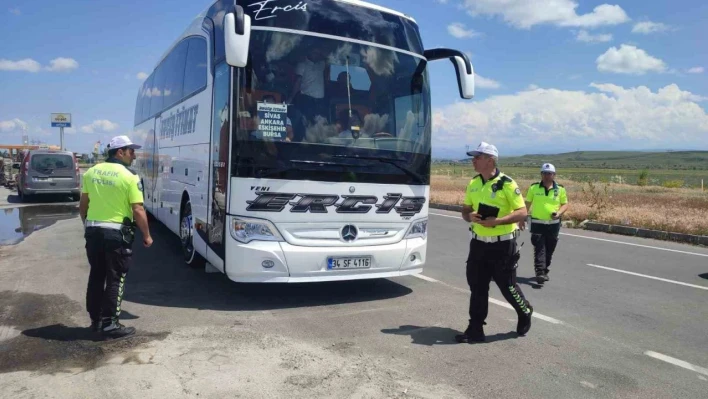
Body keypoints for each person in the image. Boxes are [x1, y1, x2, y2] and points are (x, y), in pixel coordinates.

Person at [455, 142, 533, 344]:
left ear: (490, 161)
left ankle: (524, 310)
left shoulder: (507, 184)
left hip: (503, 245)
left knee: (507, 286)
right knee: (478, 287)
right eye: (473, 157)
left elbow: (522, 212)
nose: (473, 160)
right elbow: (465, 211)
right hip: (479, 244)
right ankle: (475, 329)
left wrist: (496, 221)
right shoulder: (474, 183)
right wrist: (470, 215)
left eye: (477, 157)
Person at [79, 135, 153, 339]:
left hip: (93, 231)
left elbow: (83, 204)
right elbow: (137, 209)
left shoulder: (91, 172)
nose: (134, 155)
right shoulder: (130, 176)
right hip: (115, 234)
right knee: (115, 278)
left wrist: (87, 224)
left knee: (96, 275)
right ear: (119, 152)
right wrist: (147, 235)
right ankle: (110, 324)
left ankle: (95, 321)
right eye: (131, 151)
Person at [520, 163, 568, 285]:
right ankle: (540, 272)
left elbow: (565, 204)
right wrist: (522, 218)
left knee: (549, 249)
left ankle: (545, 270)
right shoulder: (534, 188)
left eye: (549, 173)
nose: (547, 176)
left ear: (554, 175)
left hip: (553, 224)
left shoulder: (560, 189)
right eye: (544, 173)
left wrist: (558, 213)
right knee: (539, 248)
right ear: (541, 175)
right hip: (537, 223)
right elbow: (527, 204)